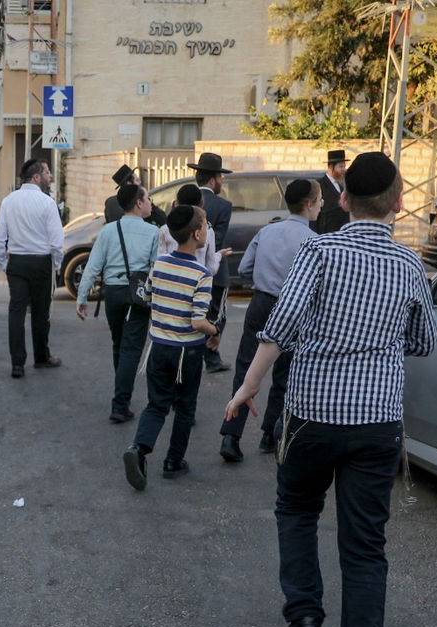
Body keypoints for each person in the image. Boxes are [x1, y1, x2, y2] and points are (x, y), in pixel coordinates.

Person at [224, 152, 436, 627]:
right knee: (366, 548)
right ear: (396, 203)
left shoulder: (319, 250)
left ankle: (304, 618)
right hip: (376, 421)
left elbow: (280, 327)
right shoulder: (410, 265)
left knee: (295, 511)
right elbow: (423, 342)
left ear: (342, 200)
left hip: (313, 413)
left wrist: (247, 389)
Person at [219, 178, 321, 464]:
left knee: (246, 367)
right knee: (284, 375)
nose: (322, 203)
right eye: (320, 198)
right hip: (293, 307)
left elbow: (244, 267)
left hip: (261, 302)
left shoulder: (267, 231)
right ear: (309, 204)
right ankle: (269, 433)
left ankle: (231, 435)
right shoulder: (314, 241)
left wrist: (265, 279)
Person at [121, 205, 218, 490]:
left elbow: (148, 296)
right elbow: (198, 321)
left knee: (156, 404)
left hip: (158, 346)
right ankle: (174, 461)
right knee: (185, 406)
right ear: (198, 234)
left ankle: (139, 449)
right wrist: (215, 330)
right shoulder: (202, 274)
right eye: (206, 224)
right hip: (186, 351)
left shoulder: (159, 264)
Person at [76, 183, 159, 423]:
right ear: (138, 203)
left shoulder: (108, 231)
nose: (151, 203)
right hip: (138, 295)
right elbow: (155, 269)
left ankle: (121, 393)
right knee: (132, 348)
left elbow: (92, 266)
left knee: (118, 344)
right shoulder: (153, 233)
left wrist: (82, 297)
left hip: (112, 292)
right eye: (148, 199)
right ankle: (120, 404)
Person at [0, 159, 65, 378]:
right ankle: (41, 357)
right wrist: (56, 264)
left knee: (16, 312)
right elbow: (56, 241)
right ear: (36, 177)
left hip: (17, 262)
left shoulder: (8, 201)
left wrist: (5, 264)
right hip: (41, 263)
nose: (49, 177)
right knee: (41, 313)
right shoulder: (47, 203)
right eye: (46, 173)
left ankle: (17, 363)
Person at [189, 152, 233, 373]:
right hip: (215, 268)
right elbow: (220, 240)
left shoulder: (185, 198)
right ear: (214, 179)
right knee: (216, 312)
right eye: (221, 177)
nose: (221, 182)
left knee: (195, 313)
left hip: (188, 269)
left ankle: (197, 355)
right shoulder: (223, 205)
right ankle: (212, 357)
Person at [155, 184, 221, 272]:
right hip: (196, 279)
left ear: (177, 204)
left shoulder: (166, 229)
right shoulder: (207, 231)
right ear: (201, 205)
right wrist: (219, 256)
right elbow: (211, 268)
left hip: (170, 280)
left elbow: (160, 259)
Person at [313, 149, 351, 234]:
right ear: (331, 167)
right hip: (326, 233)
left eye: (344, 166)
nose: (344, 170)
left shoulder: (343, 185)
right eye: (341, 167)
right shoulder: (319, 185)